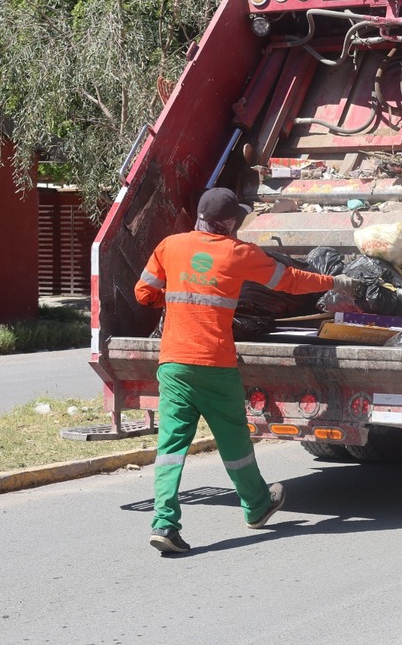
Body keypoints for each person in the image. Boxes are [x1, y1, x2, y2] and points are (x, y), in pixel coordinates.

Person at [135, 187, 357, 554]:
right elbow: (291, 280)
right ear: (228, 223)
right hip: (215, 366)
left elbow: (144, 293)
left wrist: (176, 295)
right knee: (234, 442)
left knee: (171, 447)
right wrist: (333, 281)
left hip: (173, 364)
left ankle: (164, 523)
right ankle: (255, 505)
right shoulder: (239, 254)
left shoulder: (170, 246)